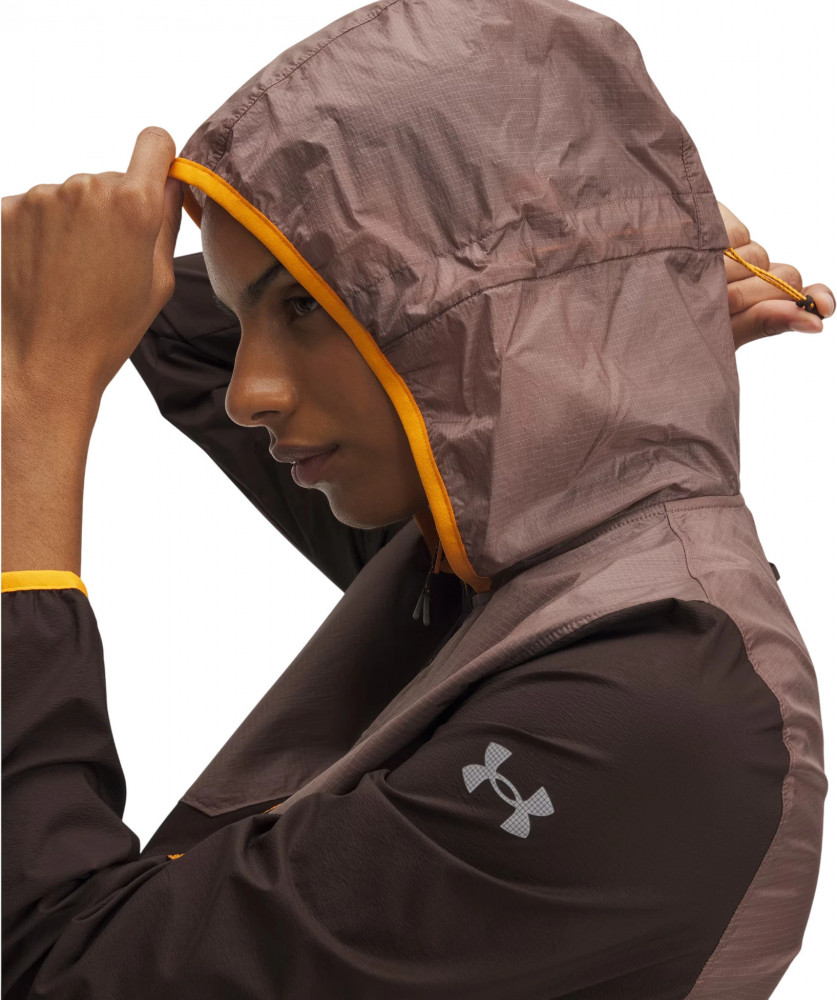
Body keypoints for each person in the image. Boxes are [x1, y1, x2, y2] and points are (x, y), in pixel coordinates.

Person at [2, 1, 832, 996]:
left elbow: (55, 972)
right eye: (253, 315)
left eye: (303, 307)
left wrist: (37, 406)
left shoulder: (644, 715)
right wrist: (598, 311)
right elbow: (178, 336)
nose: (248, 392)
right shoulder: (521, 557)